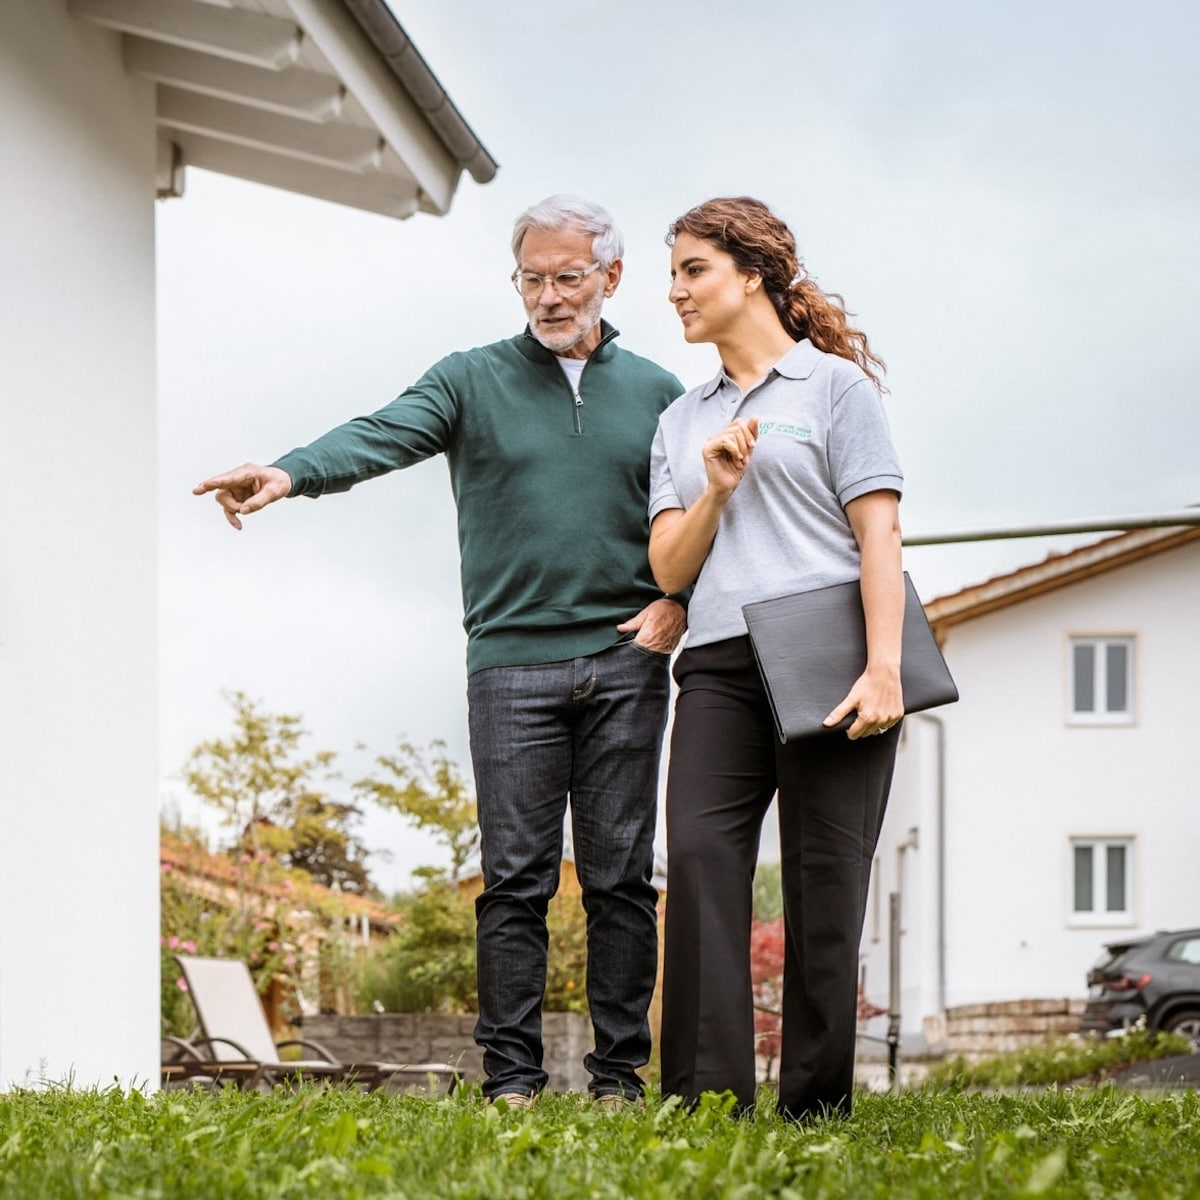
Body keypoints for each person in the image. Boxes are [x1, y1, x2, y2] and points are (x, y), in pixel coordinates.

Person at [194, 196, 686, 1108]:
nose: (546, 297)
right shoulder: (470, 379)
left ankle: (619, 1079)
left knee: (622, 880)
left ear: (611, 278)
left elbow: (700, 518)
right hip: (510, 665)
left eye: (567, 277)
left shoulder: (661, 393)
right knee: (514, 883)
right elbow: (379, 435)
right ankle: (512, 1081)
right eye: (530, 278)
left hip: (625, 659)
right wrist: (289, 472)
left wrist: (679, 602)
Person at [647, 196, 904, 1119]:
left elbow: (879, 538)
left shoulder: (833, 389)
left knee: (826, 885)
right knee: (702, 865)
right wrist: (715, 491)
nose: (672, 290)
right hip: (717, 661)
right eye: (671, 273)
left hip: (831, 659)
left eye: (691, 270)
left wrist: (884, 669)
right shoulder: (680, 422)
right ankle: (708, 1102)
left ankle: (813, 1106)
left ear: (750, 274)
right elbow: (669, 566)